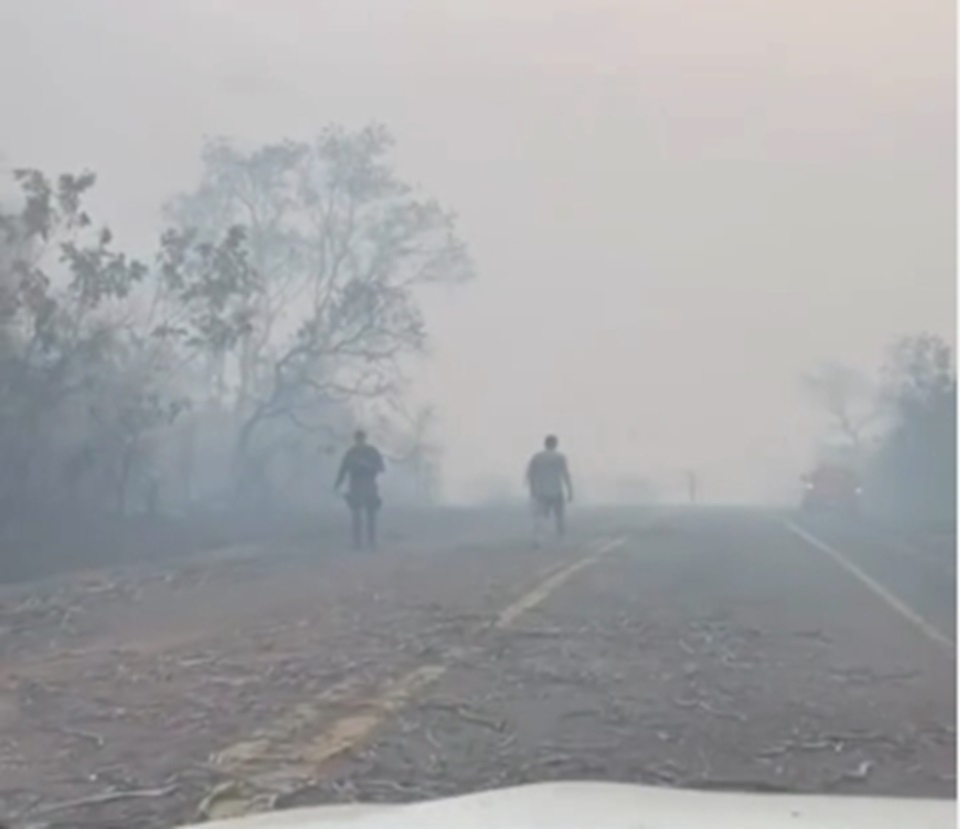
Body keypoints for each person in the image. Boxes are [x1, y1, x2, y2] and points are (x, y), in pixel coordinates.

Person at [334, 430, 385, 550]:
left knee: (371, 516)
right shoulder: (351, 453)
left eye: (361, 439)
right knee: (356, 517)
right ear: (355, 440)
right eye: (358, 439)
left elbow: (381, 468)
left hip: (369, 486)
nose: (359, 441)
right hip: (355, 487)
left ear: (364, 439)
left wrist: (368, 466)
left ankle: (371, 542)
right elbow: (343, 470)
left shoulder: (372, 452)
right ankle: (357, 543)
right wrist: (337, 484)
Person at [525, 434, 574, 545]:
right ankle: (560, 538)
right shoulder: (560, 457)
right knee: (559, 516)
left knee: (540, 515)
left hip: (540, 491)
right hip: (556, 490)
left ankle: (537, 538)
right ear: (555, 444)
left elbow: (530, 474)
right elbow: (565, 474)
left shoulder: (537, 457)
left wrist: (532, 489)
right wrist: (570, 491)